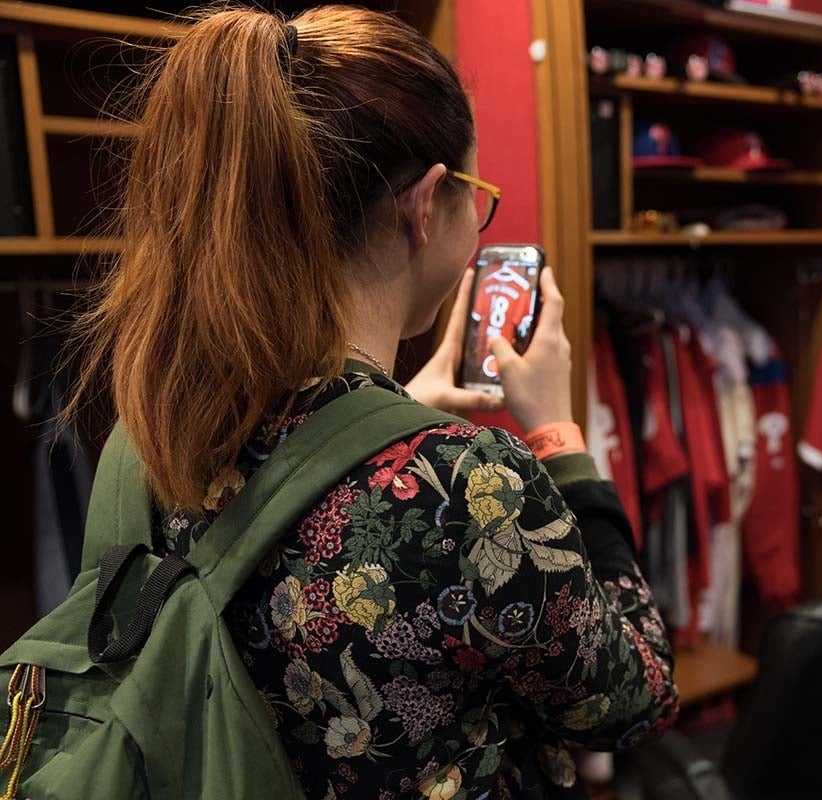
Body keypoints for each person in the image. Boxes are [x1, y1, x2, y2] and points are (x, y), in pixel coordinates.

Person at [63, 6, 678, 798]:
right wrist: (560, 436)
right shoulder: (467, 487)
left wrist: (383, 422)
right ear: (427, 205)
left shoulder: (156, 422)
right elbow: (634, 700)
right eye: (476, 194)